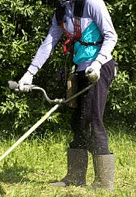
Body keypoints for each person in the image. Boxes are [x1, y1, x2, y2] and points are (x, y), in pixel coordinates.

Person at [18, 0, 117, 191]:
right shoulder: (62, 11)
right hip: (80, 69)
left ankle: (104, 184)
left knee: (92, 121)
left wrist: (97, 63)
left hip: (100, 67)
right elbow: (49, 42)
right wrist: (29, 73)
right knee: (78, 122)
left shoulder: (92, 3)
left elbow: (111, 36)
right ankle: (75, 177)